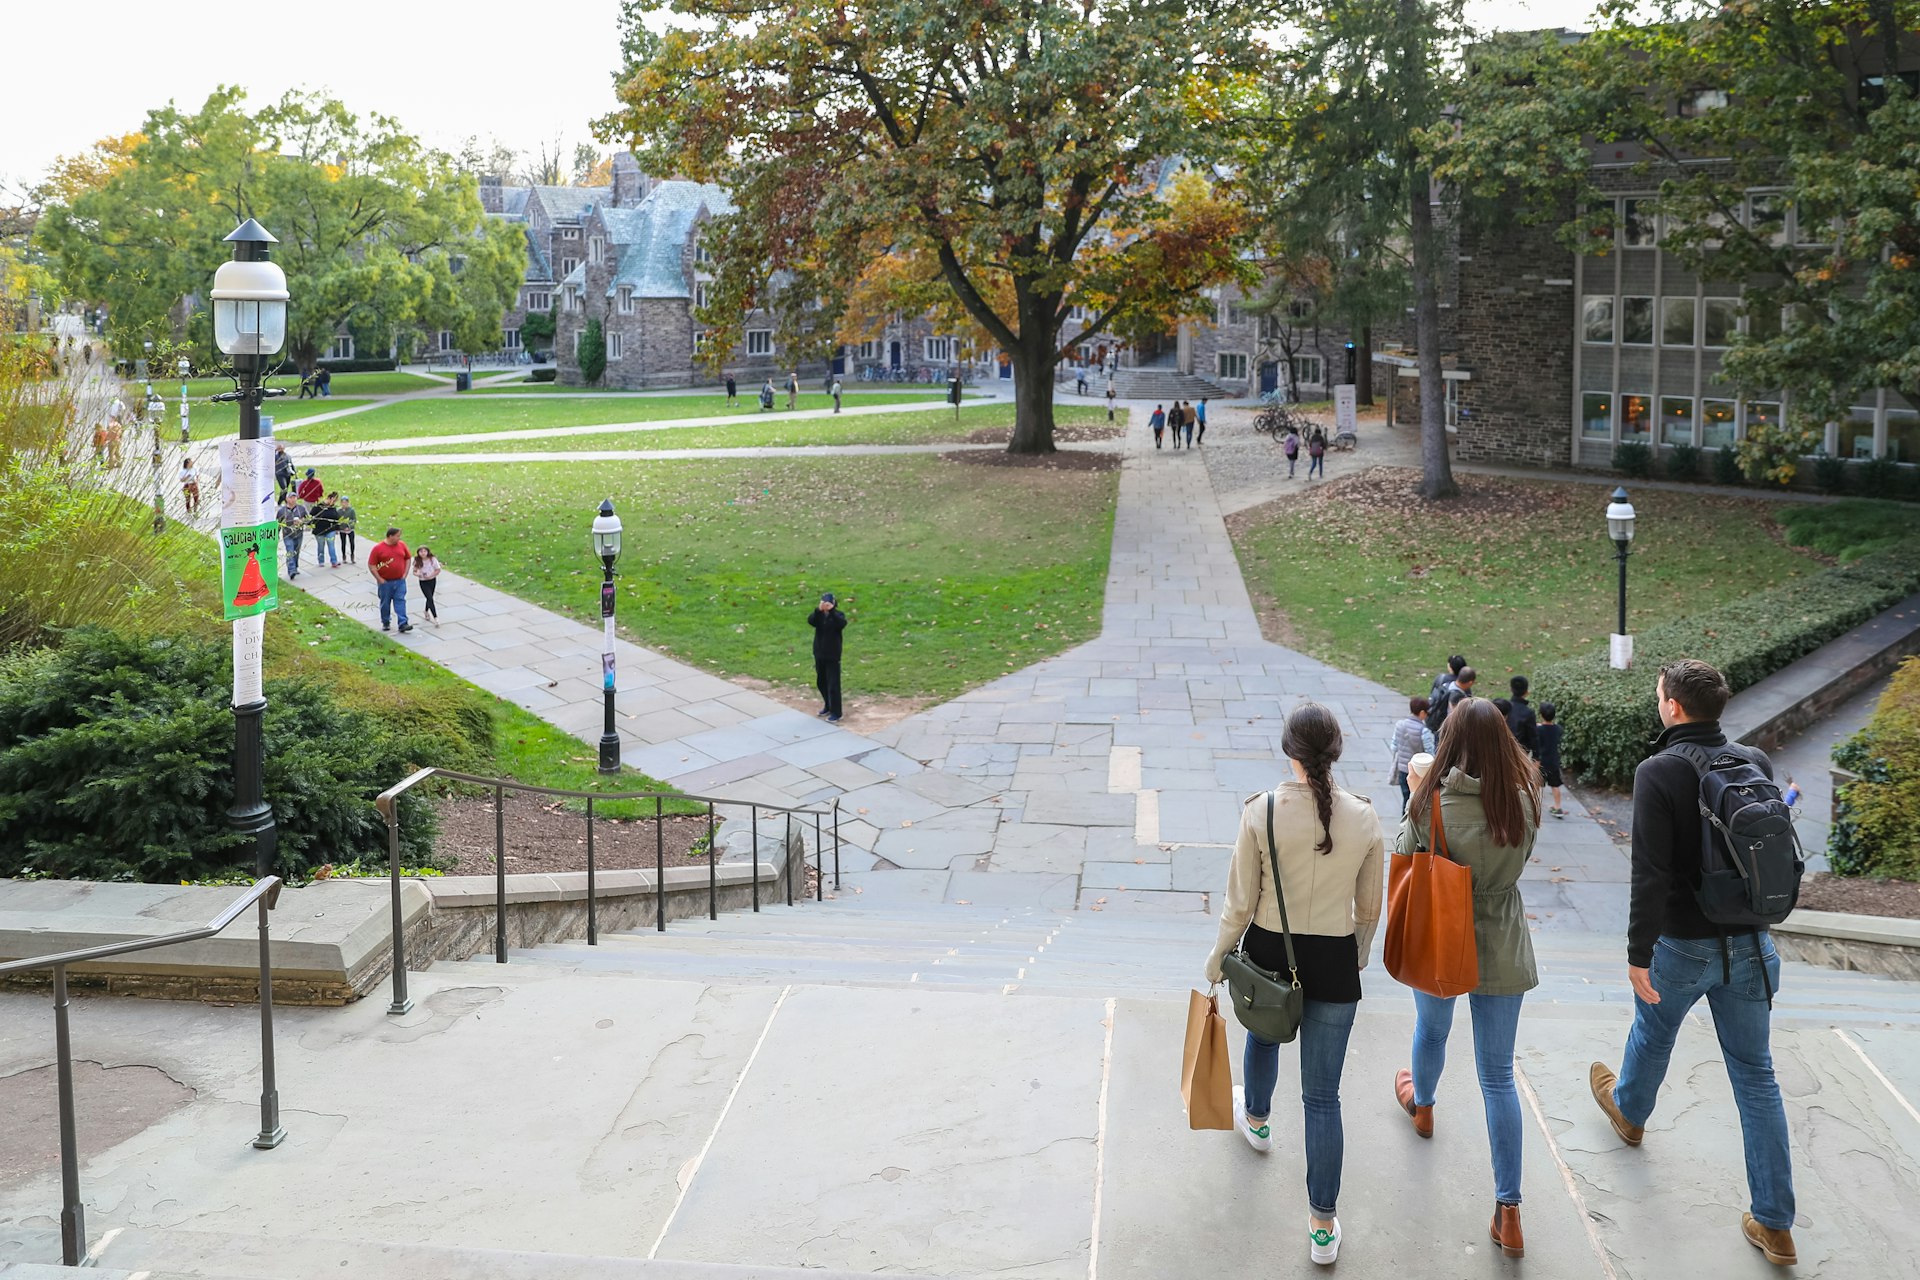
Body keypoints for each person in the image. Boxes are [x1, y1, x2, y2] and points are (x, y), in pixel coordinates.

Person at [1587, 659, 1798, 1267]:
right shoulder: (1753, 762)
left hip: (1681, 943)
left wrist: (1636, 955)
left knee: (1654, 1031)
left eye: (1659, 695)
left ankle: (1629, 1113)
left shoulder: (1658, 771)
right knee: (1757, 1078)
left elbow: (1649, 873)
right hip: (1753, 947)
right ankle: (1776, 1224)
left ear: (1673, 706)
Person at [1204, 703, 1384, 1268]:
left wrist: (1215, 962)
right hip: (1331, 959)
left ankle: (1256, 1120)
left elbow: (1239, 903)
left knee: (1262, 1036)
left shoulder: (1261, 812)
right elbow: (1369, 907)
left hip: (1266, 952)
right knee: (1322, 1098)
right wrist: (1354, 956)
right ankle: (1323, 1226)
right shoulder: (1365, 818)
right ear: (1336, 751)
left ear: (1290, 752)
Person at [1393, 698, 1541, 1260]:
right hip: (1502, 941)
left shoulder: (1432, 800)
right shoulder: (1523, 799)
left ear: (1449, 741)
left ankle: (1423, 1104)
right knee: (1498, 1077)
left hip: (1440, 937)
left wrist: (1417, 792)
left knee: (1431, 1033)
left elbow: (1407, 857)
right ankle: (1509, 1211)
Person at [807, 591, 848, 722]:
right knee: (821, 682)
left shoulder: (838, 615)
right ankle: (828, 705)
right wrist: (819, 610)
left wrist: (832, 612)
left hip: (832, 655)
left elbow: (841, 624)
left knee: (833, 685)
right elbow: (811, 621)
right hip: (819, 654)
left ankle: (837, 712)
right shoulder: (818, 616)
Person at [1389, 696, 1432, 815]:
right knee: (1418, 800)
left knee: (1406, 798)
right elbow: (1430, 753)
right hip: (1419, 772)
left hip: (1403, 770)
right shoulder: (1424, 731)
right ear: (1422, 712)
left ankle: (1405, 824)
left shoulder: (1399, 725)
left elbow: (1394, 747)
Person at [368, 527, 413, 633]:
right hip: (385, 582)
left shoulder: (402, 545)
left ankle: (403, 623)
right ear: (390, 536)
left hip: (400, 581)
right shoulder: (378, 548)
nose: (399, 538)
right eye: (397, 536)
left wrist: (405, 573)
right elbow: (371, 564)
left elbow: (407, 558)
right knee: (385, 603)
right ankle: (386, 621)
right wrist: (379, 578)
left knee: (400, 600)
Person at [1429, 665, 1476, 739]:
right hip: (1445, 731)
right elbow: (1457, 718)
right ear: (1470, 682)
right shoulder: (1458, 697)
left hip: (1436, 725)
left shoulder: (1447, 685)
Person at [1536, 702, 1565, 818]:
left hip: (1542, 762)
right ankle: (1558, 807)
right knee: (1555, 785)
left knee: (1538, 786)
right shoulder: (1558, 729)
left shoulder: (1538, 730)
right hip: (1553, 762)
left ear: (1541, 715)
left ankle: (1535, 807)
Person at [275, 494, 309, 579]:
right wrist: (277, 534)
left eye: (294, 497)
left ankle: (295, 566)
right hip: (287, 534)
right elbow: (278, 523)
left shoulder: (301, 508)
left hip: (299, 534)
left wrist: (302, 521)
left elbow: (308, 519)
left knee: (296, 551)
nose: (293, 499)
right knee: (290, 551)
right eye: (291, 498)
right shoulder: (282, 511)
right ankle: (291, 570)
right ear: (287, 499)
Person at [1507, 675, 1538, 755]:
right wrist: (1536, 757)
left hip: (1503, 750)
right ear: (1527, 692)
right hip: (1520, 753)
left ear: (1511, 689)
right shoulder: (1528, 713)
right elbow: (1533, 737)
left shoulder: (1504, 708)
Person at [309, 494, 341, 568]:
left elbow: (336, 518)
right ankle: (321, 561)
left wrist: (337, 528)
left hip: (330, 529)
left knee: (331, 545)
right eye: (333, 500)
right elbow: (311, 516)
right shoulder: (318, 507)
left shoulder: (332, 508)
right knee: (321, 546)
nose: (333, 502)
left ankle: (334, 561)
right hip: (319, 530)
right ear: (329, 498)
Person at [413, 545, 442, 621]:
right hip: (423, 581)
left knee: (430, 598)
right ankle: (435, 617)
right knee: (429, 598)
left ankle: (426, 611)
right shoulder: (417, 560)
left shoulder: (432, 559)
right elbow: (414, 571)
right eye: (421, 551)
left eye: (424, 551)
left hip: (432, 580)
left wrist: (431, 575)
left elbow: (438, 570)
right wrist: (418, 574)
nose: (423, 553)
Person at [337, 495, 358, 562]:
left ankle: (352, 555)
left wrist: (349, 526)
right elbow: (338, 520)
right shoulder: (339, 511)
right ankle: (344, 556)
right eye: (343, 502)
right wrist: (341, 527)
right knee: (343, 543)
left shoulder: (351, 510)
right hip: (342, 529)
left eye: (345, 502)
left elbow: (354, 520)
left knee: (352, 542)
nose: (344, 504)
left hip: (350, 529)